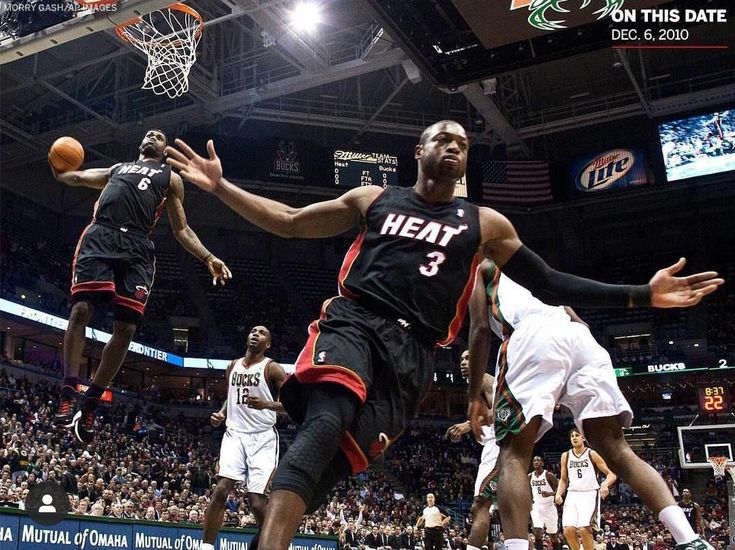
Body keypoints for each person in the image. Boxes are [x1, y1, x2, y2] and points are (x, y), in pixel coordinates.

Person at [165, 120, 722, 550]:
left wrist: (641, 294)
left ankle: (275, 506)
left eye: (462, 143)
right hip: (357, 320)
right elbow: (287, 220)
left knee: (335, 463)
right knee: (328, 415)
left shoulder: (486, 224)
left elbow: (549, 281)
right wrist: (221, 187)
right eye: (443, 139)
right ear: (420, 151)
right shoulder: (373, 200)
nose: (454, 146)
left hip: (415, 354)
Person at [465, 260, 719, 550]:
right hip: (580, 339)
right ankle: (691, 540)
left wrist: (474, 396)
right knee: (618, 449)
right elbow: (579, 321)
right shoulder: (527, 263)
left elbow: (480, 330)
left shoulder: (481, 267)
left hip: (530, 335)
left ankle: (516, 547)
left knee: (512, 455)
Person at [50, 129, 231, 443]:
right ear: (139, 143)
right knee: (80, 309)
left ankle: (92, 399)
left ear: (163, 151)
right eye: (149, 134)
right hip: (100, 236)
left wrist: (207, 257)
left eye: (160, 136)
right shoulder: (117, 169)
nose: (153, 135)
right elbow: (77, 178)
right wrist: (58, 168)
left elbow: (182, 229)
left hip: (137, 247)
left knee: (126, 330)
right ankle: (68, 390)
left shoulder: (170, 178)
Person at [201, 325, 286, 550]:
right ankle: (206, 547)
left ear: (267, 344)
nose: (255, 334)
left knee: (257, 503)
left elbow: (292, 406)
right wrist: (221, 413)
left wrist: (266, 404)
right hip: (234, 435)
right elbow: (231, 397)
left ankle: (270, 545)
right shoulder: (233, 366)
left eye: (262, 333)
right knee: (221, 488)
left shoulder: (273, 369)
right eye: (253, 331)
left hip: (263, 438)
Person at [446, 349, 497, 550]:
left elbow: (504, 409)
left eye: (468, 358)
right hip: (491, 447)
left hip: (499, 446)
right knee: (505, 510)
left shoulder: (485, 379)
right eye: (461, 359)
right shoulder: (473, 387)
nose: (463, 362)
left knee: (480, 504)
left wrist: (469, 424)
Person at [556, 429, 616, 550]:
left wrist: (605, 484)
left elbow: (611, 474)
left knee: (584, 529)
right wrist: (558, 494)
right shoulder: (566, 456)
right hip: (572, 494)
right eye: (572, 436)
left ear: (583, 438)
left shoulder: (591, 454)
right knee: (568, 530)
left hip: (589, 494)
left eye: (577, 435)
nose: (574, 438)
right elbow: (563, 480)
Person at [529, 456, 559, 550]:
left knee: (553, 535)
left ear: (542, 463)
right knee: (537, 531)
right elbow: (528, 491)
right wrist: (529, 503)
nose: (536, 462)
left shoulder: (549, 475)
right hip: (537, 506)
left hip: (549, 506)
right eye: (534, 460)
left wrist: (550, 493)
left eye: (538, 460)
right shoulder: (530, 476)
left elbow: (560, 491)